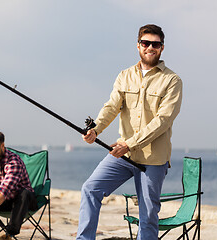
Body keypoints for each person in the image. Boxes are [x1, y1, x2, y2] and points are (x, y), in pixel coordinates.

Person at [76, 24, 183, 240]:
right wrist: (95, 129)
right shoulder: (124, 75)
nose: (150, 47)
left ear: (162, 48)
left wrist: (129, 143)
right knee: (90, 189)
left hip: (153, 159)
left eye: (155, 44)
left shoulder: (172, 81)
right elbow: (112, 106)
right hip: (123, 155)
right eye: (146, 43)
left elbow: (163, 121)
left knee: (148, 214)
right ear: (138, 45)